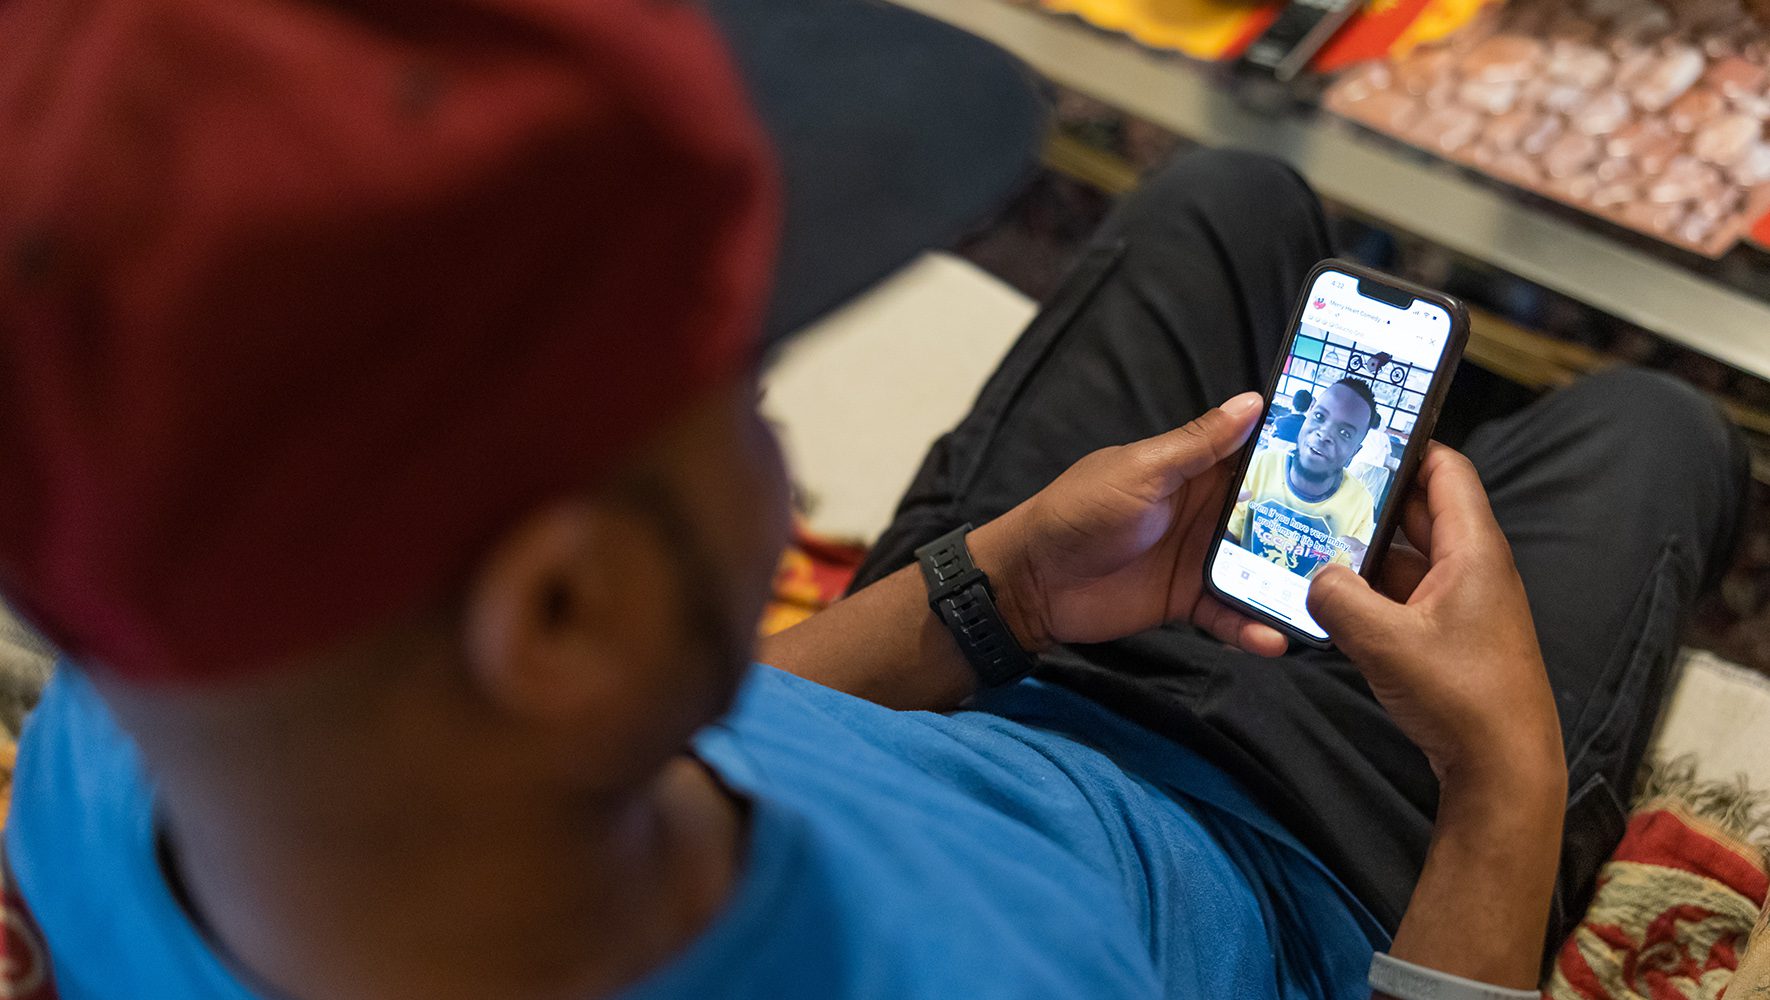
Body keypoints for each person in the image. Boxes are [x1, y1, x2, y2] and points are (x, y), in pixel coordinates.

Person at [0, 3, 1747, 1000]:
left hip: (1011, 663)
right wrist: (1501, 792)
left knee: (1226, 194)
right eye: (738, 396)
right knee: (1654, 442)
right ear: (564, 610)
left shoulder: (124, 733)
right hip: (1292, 865)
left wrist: (994, 591)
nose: (774, 454)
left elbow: (718, 744)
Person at [1226, 378, 1381, 574]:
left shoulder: (1360, 503)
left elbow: (1343, 576)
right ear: (1306, 417)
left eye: (1344, 433)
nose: (1324, 434)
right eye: (1319, 416)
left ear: (1354, 453)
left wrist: (1360, 569)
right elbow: (1231, 535)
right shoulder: (1262, 463)